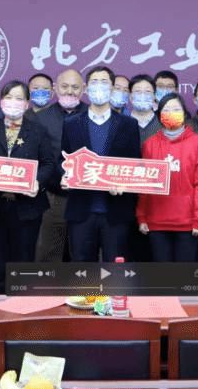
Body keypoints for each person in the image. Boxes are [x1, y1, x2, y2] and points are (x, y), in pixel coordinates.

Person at [0, 81, 59, 294]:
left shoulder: (38, 131)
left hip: (27, 208)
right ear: (1, 100)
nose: (13, 102)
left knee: (22, 265)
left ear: (27, 103)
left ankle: (19, 308)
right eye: (9, 97)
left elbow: (49, 164)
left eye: (19, 98)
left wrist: (37, 182)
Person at [61, 66, 142, 262]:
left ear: (112, 88)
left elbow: (135, 165)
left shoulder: (129, 125)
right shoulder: (71, 123)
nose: (99, 86)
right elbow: (62, 160)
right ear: (86, 88)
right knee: (82, 271)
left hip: (116, 212)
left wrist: (125, 184)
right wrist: (63, 176)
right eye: (94, 82)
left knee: (114, 271)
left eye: (104, 82)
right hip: (81, 211)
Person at [137, 93, 198, 262]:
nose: (171, 113)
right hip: (156, 222)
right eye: (167, 110)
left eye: (176, 109)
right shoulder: (150, 144)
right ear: (159, 114)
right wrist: (141, 216)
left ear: (184, 113)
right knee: (163, 274)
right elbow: (144, 185)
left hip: (187, 223)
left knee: (183, 274)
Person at [34, 68, 86, 263]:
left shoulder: (93, 115)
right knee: (48, 253)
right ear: (55, 88)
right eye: (64, 86)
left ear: (83, 89)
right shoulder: (41, 118)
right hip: (52, 197)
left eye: (75, 87)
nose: (69, 91)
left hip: (86, 198)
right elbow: (36, 158)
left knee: (83, 253)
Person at [128, 75, 162, 144]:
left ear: (154, 96)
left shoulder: (163, 124)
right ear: (130, 96)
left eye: (148, 91)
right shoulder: (120, 124)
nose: (143, 95)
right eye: (138, 91)